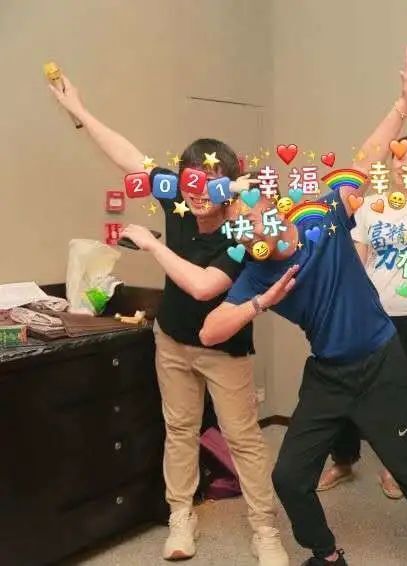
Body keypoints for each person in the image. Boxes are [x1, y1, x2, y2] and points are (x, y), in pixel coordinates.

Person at [200, 46, 407, 566]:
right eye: (242, 227)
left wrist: (404, 105)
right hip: (328, 375)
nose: (254, 228)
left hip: (381, 364)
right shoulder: (257, 275)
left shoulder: (323, 214)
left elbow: (364, 158)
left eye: (257, 214)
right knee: (288, 477)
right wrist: (260, 303)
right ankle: (326, 555)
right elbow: (211, 330)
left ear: (274, 207)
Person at [48, 79, 289, 564]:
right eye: (191, 180)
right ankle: (181, 515)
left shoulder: (243, 230)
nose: (198, 193)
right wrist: (81, 111)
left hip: (225, 350)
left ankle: (264, 529)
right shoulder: (178, 197)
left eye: (211, 182)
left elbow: (203, 286)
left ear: (229, 187)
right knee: (179, 430)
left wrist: (152, 244)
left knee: (243, 439)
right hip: (172, 340)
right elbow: (128, 156)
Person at [316, 133, 407, 501]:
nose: (406, 165)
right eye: (400, 157)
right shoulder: (370, 206)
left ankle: (393, 466)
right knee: (350, 386)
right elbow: (358, 260)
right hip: (371, 314)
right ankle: (343, 459)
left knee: (406, 393)